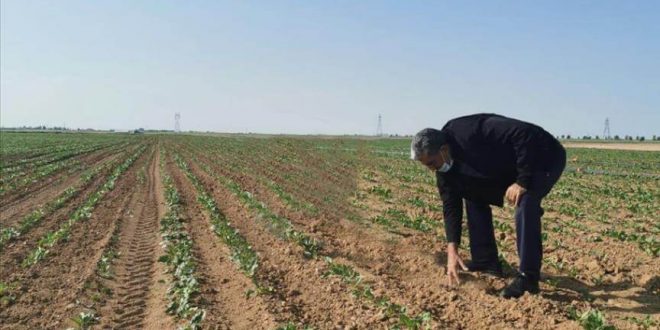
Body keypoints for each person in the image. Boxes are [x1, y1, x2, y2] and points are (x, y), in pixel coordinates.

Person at [410, 113, 566, 298]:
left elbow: (523, 133)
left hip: (542, 156)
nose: (432, 169)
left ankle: (528, 278)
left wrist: (523, 181)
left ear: (444, 149)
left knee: (526, 203)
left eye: (432, 163)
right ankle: (486, 261)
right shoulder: (445, 172)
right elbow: (450, 206)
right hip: (508, 165)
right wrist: (452, 250)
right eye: (426, 166)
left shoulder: (468, 131)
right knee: (472, 192)